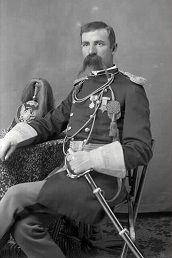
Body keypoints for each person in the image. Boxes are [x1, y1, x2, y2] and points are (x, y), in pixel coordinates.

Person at [0, 21, 152, 258]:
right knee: (25, 226)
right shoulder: (80, 88)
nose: (91, 50)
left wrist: (92, 159)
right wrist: (15, 135)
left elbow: (141, 150)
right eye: (86, 44)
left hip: (103, 184)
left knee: (14, 194)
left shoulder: (130, 89)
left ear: (114, 46)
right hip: (68, 178)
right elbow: (50, 122)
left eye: (99, 43)